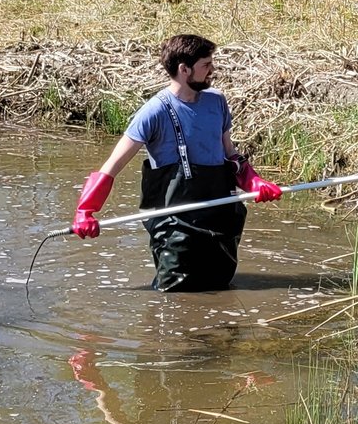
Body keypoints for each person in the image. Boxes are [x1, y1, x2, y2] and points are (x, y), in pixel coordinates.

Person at [70, 34, 282, 291]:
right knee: (174, 295)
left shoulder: (217, 103)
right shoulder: (154, 112)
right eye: (206, 65)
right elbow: (113, 165)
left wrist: (254, 182)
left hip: (220, 215)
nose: (212, 70)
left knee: (219, 285)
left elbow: (230, 155)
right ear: (184, 69)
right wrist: (86, 210)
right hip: (174, 221)